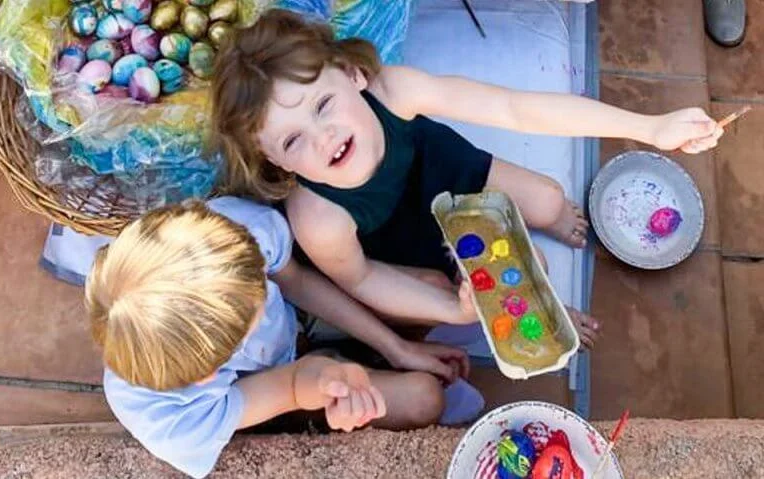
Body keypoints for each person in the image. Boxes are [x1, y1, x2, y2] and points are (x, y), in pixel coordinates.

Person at [210, 9, 722, 342]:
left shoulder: (397, 91)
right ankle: (548, 307)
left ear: (352, 74)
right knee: (513, 275)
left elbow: (516, 109)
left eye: (323, 104)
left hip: (454, 176)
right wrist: (455, 310)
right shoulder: (317, 218)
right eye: (293, 140)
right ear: (275, 160)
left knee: (548, 199)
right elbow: (361, 278)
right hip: (402, 239)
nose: (323, 138)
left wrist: (650, 127)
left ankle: (536, 235)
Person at [85, 199, 473, 478]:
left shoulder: (237, 236)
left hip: (297, 331)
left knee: (433, 290)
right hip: (270, 391)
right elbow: (288, 386)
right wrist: (329, 382)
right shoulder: (167, 416)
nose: (264, 303)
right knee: (425, 399)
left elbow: (296, 282)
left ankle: (381, 355)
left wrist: (398, 348)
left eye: (259, 298)